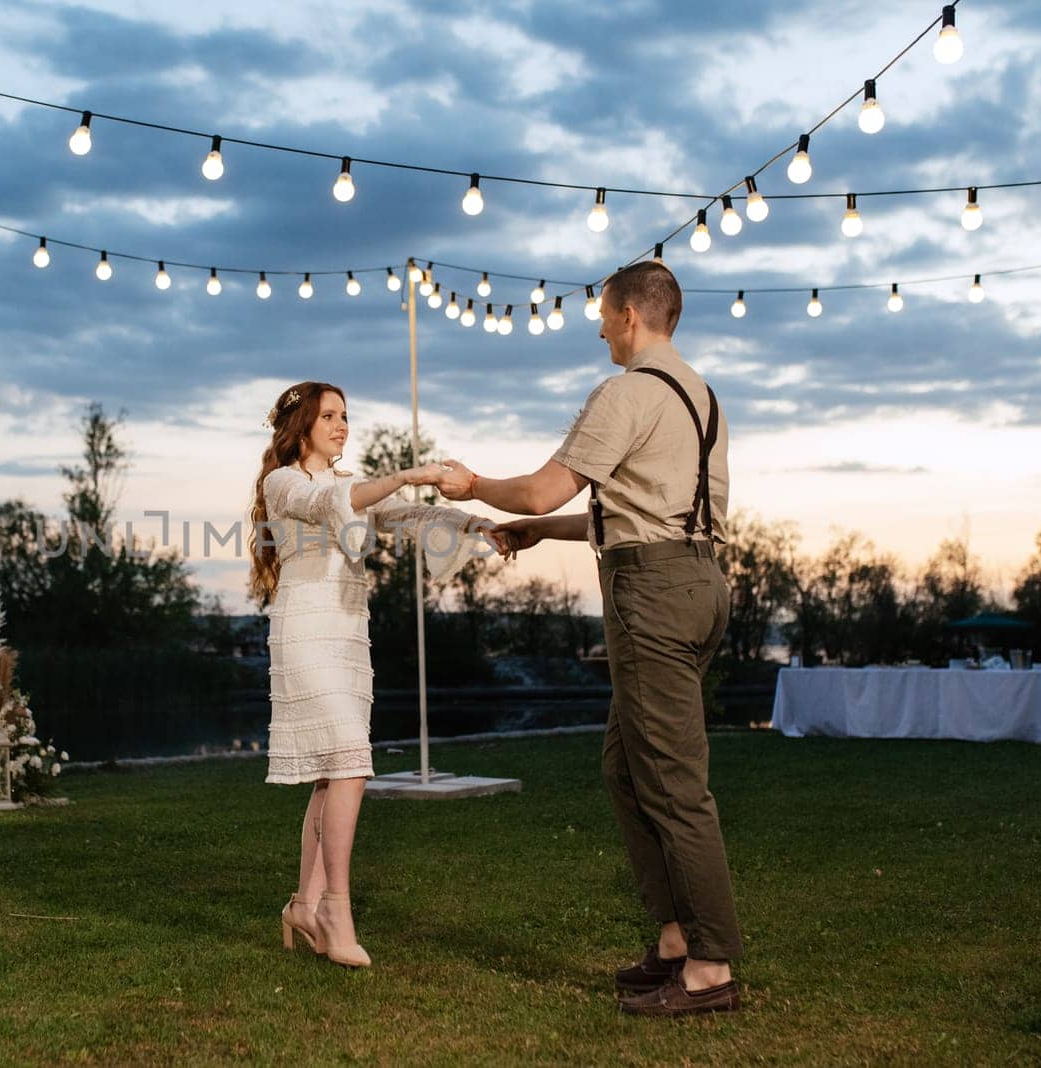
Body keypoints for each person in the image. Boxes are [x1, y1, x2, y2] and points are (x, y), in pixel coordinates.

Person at [436, 262, 742, 1016]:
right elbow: (648, 512)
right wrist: (542, 532)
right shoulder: (701, 398)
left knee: (672, 782)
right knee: (624, 768)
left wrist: (472, 484)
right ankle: (675, 939)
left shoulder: (626, 392)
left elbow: (545, 485)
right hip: (699, 584)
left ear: (631, 315)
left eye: (604, 316)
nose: (600, 328)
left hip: (654, 595)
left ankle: (710, 969)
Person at [248, 380, 497, 969]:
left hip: (348, 635)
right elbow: (336, 504)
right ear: (300, 425)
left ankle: (302, 906)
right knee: (353, 762)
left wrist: (479, 528)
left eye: (345, 415)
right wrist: (411, 472)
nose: (341, 425)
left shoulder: (348, 484)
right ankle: (336, 908)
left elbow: (409, 514)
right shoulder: (283, 483)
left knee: (334, 771)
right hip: (305, 631)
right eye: (328, 416)